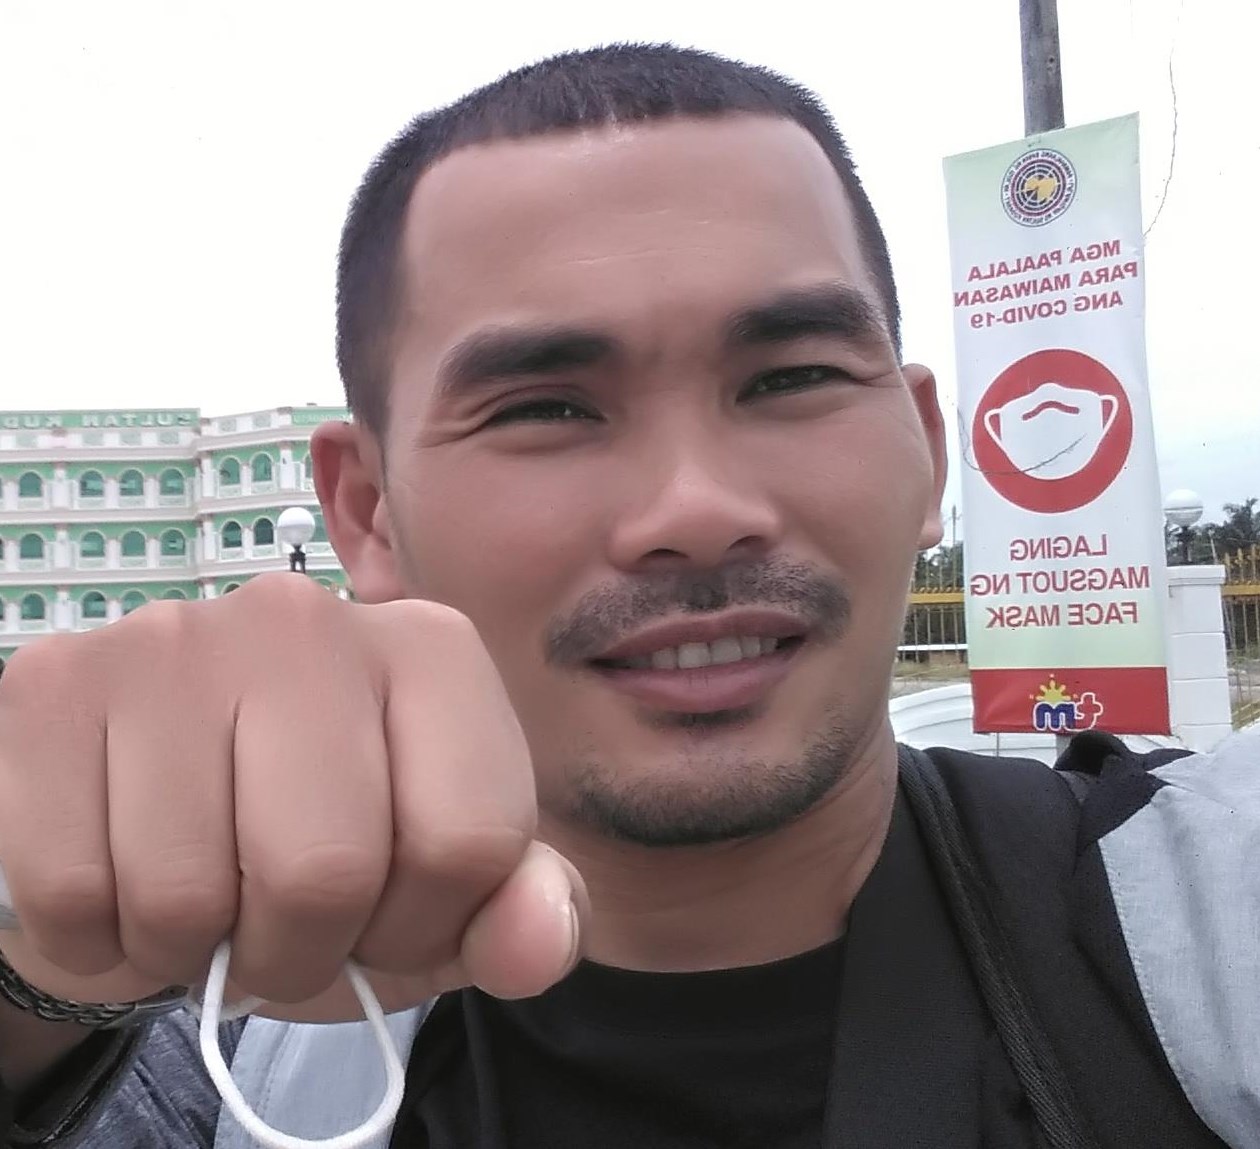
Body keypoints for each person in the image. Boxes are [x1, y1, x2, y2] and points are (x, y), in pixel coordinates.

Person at [0, 43, 1254, 1149]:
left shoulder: (1206, 930)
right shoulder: (247, 1052)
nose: (695, 508)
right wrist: (41, 960)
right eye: (547, 408)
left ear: (927, 448)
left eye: (793, 377)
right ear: (367, 513)